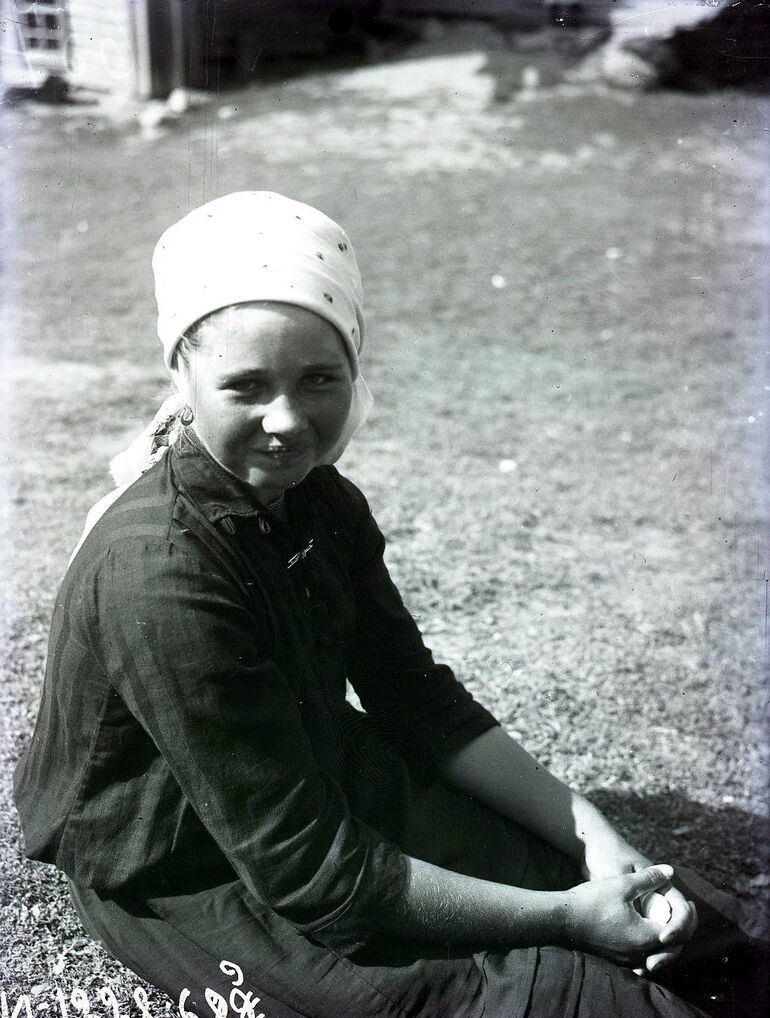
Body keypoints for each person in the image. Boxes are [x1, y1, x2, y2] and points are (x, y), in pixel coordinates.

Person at [13, 192, 766, 1018]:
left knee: (712, 932)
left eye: (319, 379)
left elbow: (416, 699)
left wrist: (594, 838)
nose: (287, 421)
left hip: (320, 778)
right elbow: (310, 870)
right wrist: (565, 918)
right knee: (573, 999)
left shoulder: (321, 500)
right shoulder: (156, 575)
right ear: (182, 379)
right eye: (246, 386)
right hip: (189, 869)